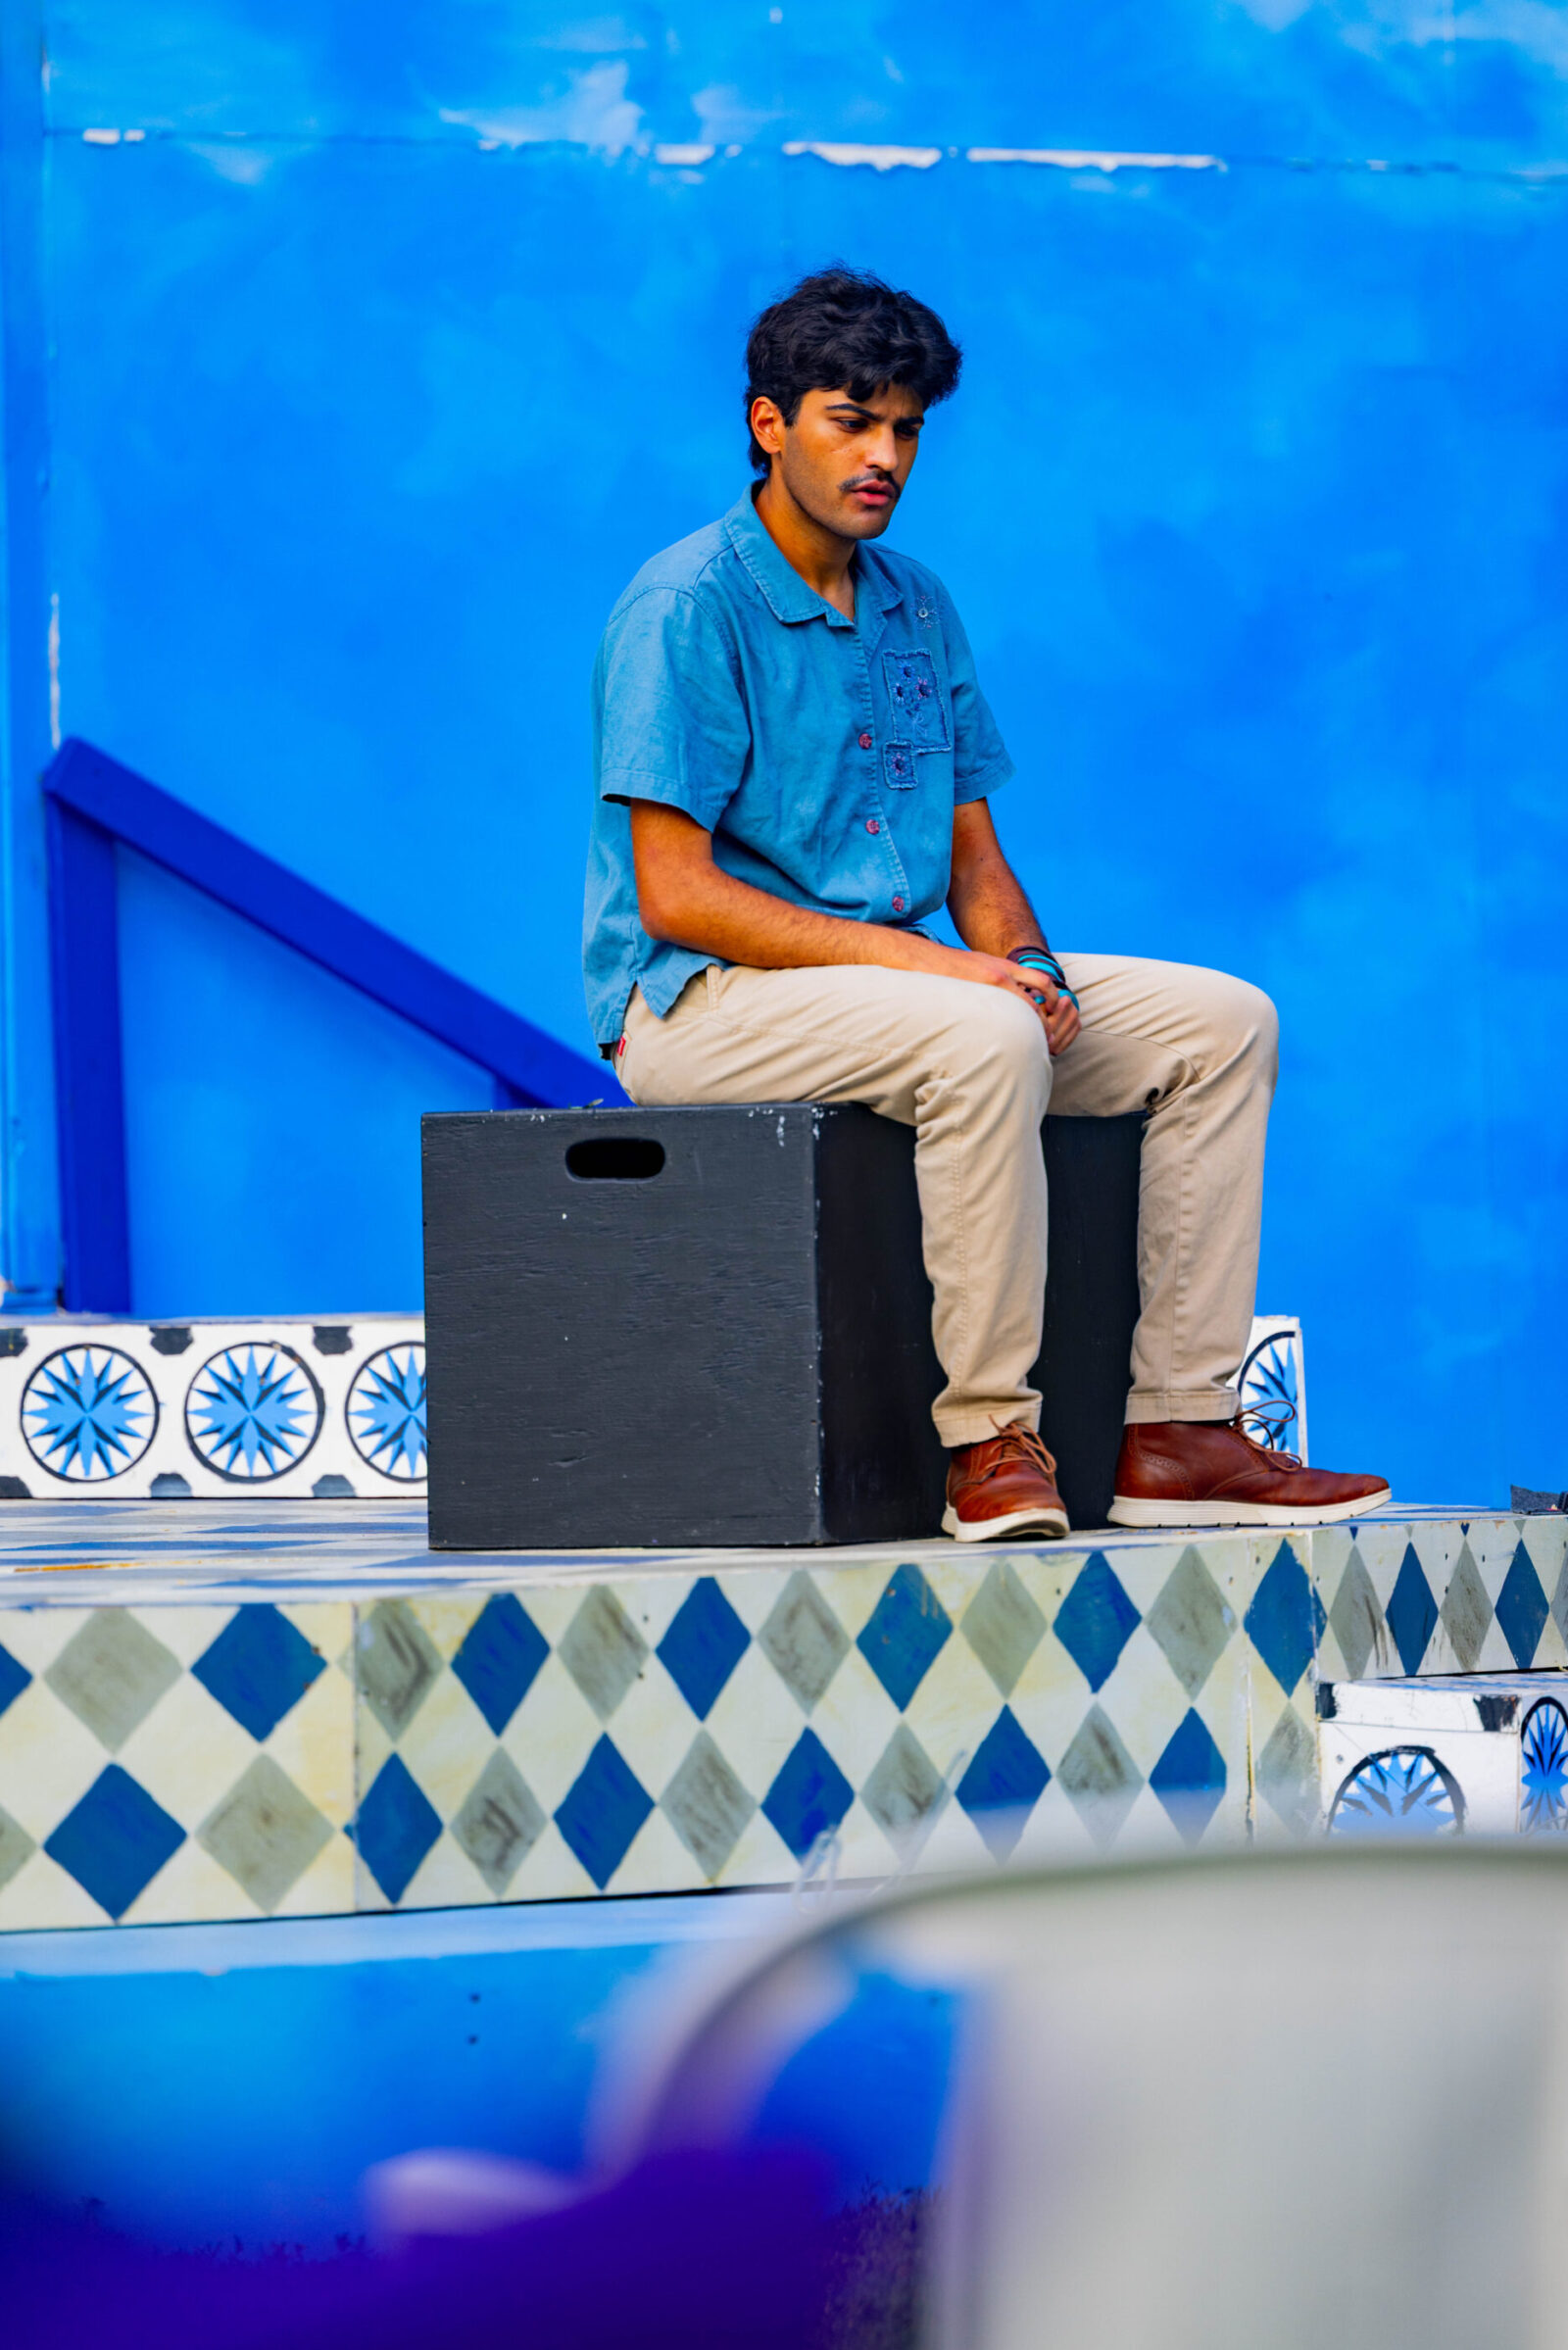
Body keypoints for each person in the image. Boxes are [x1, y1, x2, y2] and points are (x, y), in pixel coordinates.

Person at [581, 267, 1390, 1541]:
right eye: (853, 420)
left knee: (1221, 1021)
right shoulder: (685, 606)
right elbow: (676, 897)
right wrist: (962, 983)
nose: (885, 455)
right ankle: (992, 1444)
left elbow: (973, 864)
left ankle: (1177, 1430)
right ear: (769, 422)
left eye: (906, 427)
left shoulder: (917, 606)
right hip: (699, 1009)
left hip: (893, 989)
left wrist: (1026, 963)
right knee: (984, 1028)